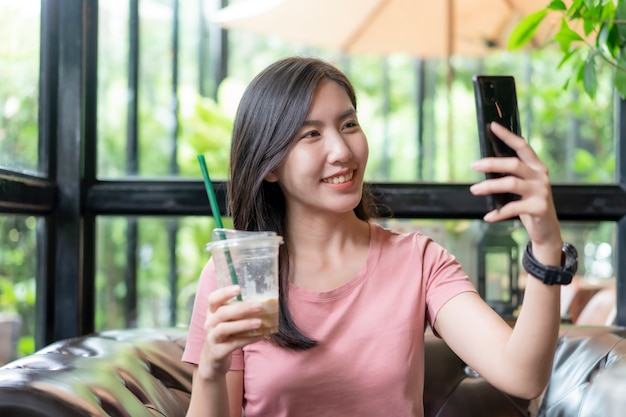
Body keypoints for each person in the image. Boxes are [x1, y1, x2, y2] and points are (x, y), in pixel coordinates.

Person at [182, 56, 573, 417]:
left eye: (348, 125)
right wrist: (212, 371)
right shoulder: (234, 277)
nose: (341, 151)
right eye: (311, 135)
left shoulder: (418, 262)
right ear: (269, 166)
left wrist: (545, 245)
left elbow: (522, 375)